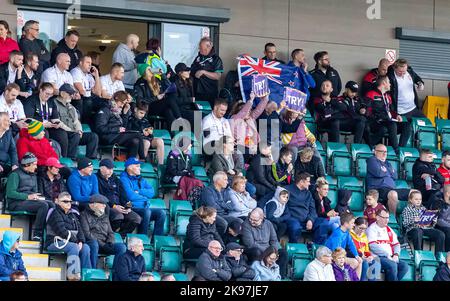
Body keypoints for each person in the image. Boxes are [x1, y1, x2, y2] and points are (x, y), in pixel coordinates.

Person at [6, 152, 54, 240]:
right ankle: (37, 233)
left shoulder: (33, 175)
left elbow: (34, 192)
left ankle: (50, 233)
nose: (36, 167)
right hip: (16, 203)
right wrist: (27, 197)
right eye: (34, 164)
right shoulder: (15, 174)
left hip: (29, 201)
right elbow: (10, 193)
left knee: (52, 204)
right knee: (43, 205)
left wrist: (38, 197)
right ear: (27, 164)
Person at [45, 192, 92, 280]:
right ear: (58, 202)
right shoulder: (55, 213)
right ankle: (73, 276)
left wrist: (81, 241)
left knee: (86, 248)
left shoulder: (73, 214)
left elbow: (80, 230)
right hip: (54, 242)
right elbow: (61, 231)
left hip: (70, 241)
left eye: (70, 201)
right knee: (73, 247)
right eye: (65, 201)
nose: (68, 203)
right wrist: (76, 242)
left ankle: (87, 275)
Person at [120, 157, 166, 237]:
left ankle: (157, 240)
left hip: (143, 207)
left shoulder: (141, 179)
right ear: (130, 167)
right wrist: (145, 198)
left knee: (161, 213)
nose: (140, 168)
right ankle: (142, 237)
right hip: (132, 208)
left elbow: (152, 192)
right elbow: (130, 196)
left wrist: (139, 191)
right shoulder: (123, 179)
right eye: (137, 166)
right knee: (146, 212)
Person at [96, 158, 141, 236]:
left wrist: (127, 206)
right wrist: (113, 206)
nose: (111, 171)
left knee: (136, 218)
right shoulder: (96, 178)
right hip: (107, 206)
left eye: (112, 169)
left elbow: (123, 195)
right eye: (108, 168)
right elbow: (101, 196)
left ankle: (121, 236)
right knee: (118, 216)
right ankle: (109, 235)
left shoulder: (116, 179)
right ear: (101, 168)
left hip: (120, 206)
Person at [366, 75, 411, 153]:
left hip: (388, 121)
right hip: (377, 121)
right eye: (389, 82)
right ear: (384, 83)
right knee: (392, 124)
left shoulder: (387, 96)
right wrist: (378, 116)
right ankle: (396, 150)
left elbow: (390, 110)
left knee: (406, 125)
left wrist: (396, 115)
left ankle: (401, 149)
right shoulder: (371, 94)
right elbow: (368, 111)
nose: (390, 84)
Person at [95, 90, 145, 159]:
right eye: (121, 102)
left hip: (116, 135)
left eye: (124, 103)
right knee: (137, 134)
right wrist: (117, 129)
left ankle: (130, 163)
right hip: (107, 137)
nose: (122, 105)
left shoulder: (117, 110)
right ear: (116, 98)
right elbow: (100, 128)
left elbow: (123, 127)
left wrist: (125, 113)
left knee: (135, 141)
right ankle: (143, 158)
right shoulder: (105, 109)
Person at [80, 194, 127, 268]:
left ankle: (115, 273)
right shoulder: (83, 215)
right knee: (94, 244)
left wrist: (110, 242)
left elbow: (110, 232)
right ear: (94, 204)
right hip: (92, 244)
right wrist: (102, 244)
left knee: (122, 247)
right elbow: (87, 234)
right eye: (102, 204)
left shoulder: (104, 215)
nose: (105, 206)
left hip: (105, 244)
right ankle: (93, 271)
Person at [54, 83, 99, 159]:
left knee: (93, 136)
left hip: (74, 133)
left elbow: (76, 121)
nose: (72, 95)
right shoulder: (54, 104)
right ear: (62, 93)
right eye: (70, 93)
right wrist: (72, 131)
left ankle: (90, 160)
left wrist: (79, 130)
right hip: (62, 132)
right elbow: (57, 121)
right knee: (75, 135)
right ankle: (71, 158)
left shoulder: (71, 106)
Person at [240, 208, 288, 278]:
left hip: (269, 249)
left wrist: (274, 251)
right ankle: (260, 276)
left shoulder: (268, 223)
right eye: (250, 219)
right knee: (256, 251)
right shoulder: (246, 225)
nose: (251, 221)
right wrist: (268, 251)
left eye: (255, 220)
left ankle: (279, 277)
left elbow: (274, 240)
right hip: (253, 250)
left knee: (283, 253)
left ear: (262, 218)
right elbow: (250, 244)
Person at [366, 143, 410, 215]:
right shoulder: (372, 160)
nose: (384, 154)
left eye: (386, 152)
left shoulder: (387, 163)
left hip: (391, 189)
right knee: (393, 194)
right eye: (381, 151)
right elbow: (378, 173)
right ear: (375, 152)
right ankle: (392, 218)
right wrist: (389, 172)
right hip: (379, 189)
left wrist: (385, 171)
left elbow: (395, 176)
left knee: (414, 193)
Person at [367, 208, 408, 281]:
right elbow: (372, 246)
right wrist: (386, 255)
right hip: (378, 257)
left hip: (390, 257)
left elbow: (396, 244)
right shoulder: (372, 229)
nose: (387, 220)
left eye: (388, 218)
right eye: (384, 218)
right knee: (392, 265)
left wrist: (396, 254)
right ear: (377, 217)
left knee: (404, 266)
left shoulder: (389, 229)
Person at [230, 91, 269, 158]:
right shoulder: (235, 118)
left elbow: (258, 110)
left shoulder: (250, 119)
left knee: (266, 151)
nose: (249, 112)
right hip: (238, 147)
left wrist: (265, 98)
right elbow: (243, 112)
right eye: (248, 111)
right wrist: (251, 100)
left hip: (251, 146)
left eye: (250, 110)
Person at [324, 212, 363, 278]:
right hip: (333, 257)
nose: (353, 225)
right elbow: (336, 252)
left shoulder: (346, 232)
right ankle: (344, 277)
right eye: (352, 223)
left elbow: (351, 244)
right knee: (354, 262)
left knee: (359, 261)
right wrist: (343, 258)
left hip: (340, 256)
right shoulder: (338, 234)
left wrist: (357, 256)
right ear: (345, 224)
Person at [190, 37, 223, 107]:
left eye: (202, 48)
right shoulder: (198, 58)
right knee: (197, 115)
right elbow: (191, 70)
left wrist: (204, 72)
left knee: (206, 113)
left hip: (209, 93)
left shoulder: (216, 59)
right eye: (199, 48)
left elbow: (217, 76)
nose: (200, 50)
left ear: (209, 47)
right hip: (196, 91)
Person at [284, 172, 317, 243]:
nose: (309, 184)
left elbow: (312, 209)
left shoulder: (308, 194)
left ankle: (316, 248)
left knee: (323, 225)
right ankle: (294, 248)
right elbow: (283, 206)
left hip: (306, 220)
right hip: (292, 218)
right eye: (308, 181)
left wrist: (310, 219)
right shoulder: (287, 190)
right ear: (301, 181)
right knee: (295, 227)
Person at [70, 54, 102, 122]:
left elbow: (98, 93)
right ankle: (84, 124)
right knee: (88, 101)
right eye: (87, 62)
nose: (90, 65)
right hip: (78, 98)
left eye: (90, 63)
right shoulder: (76, 71)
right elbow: (81, 91)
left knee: (104, 102)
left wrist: (96, 76)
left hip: (88, 97)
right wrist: (90, 93)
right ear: (81, 63)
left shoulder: (89, 75)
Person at [350, 217, 382, 281]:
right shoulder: (350, 234)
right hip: (354, 256)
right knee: (364, 263)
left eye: (364, 229)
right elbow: (351, 250)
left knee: (376, 261)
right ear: (355, 225)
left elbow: (366, 250)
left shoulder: (364, 236)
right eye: (360, 228)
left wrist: (369, 256)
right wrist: (363, 257)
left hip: (363, 257)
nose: (362, 230)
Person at [313, 177, 340, 244]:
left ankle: (335, 246)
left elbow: (329, 211)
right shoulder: (314, 199)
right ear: (318, 189)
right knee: (339, 219)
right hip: (317, 221)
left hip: (326, 221)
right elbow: (316, 214)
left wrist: (333, 213)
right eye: (324, 189)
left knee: (335, 226)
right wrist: (327, 214)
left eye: (327, 189)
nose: (327, 191)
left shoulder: (325, 199)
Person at [170, 62, 198, 128]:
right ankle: (196, 136)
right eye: (186, 71)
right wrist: (189, 100)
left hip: (190, 107)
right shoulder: (174, 83)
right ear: (180, 73)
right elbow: (175, 101)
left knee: (201, 115)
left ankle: (198, 137)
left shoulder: (190, 81)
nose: (189, 72)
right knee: (196, 117)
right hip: (180, 109)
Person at [432, 185, 450, 251]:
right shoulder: (438, 202)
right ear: (448, 193)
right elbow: (438, 219)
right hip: (438, 225)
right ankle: (447, 254)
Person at [0, 112, 18, 179]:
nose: (10, 123)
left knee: (17, 172)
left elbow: (13, 150)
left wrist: (14, 164)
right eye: (7, 121)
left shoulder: (8, 133)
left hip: (5, 163)